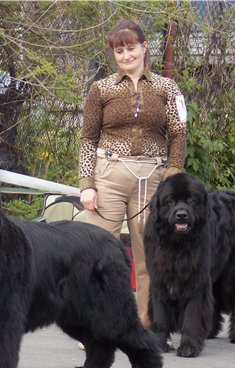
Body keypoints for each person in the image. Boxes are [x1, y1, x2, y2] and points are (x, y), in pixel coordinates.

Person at [78, 19, 187, 329]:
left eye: (131, 48)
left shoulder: (167, 88)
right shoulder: (101, 89)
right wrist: (87, 184)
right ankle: (99, 325)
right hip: (108, 175)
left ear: (144, 47)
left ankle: (147, 323)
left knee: (150, 258)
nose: (126, 56)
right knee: (100, 254)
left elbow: (178, 134)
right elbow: (88, 138)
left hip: (152, 179)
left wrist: (173, 172)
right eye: (119, 50)